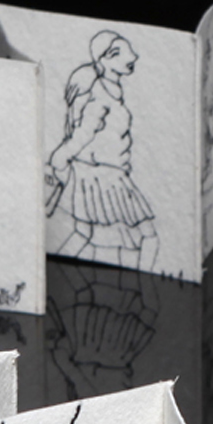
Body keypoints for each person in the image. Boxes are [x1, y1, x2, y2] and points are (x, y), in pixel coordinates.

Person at [48, 30, 160, 270]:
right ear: (103, 60)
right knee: (148, 235)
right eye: (117, 53)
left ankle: (54, 271)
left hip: (104, 174)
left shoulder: (111, 90)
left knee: (83, 233)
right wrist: (61, 156)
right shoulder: (99, 94)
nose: (131, 56)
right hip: (103, 178)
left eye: (128, 50)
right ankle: (146, 285)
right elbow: (85, 132)